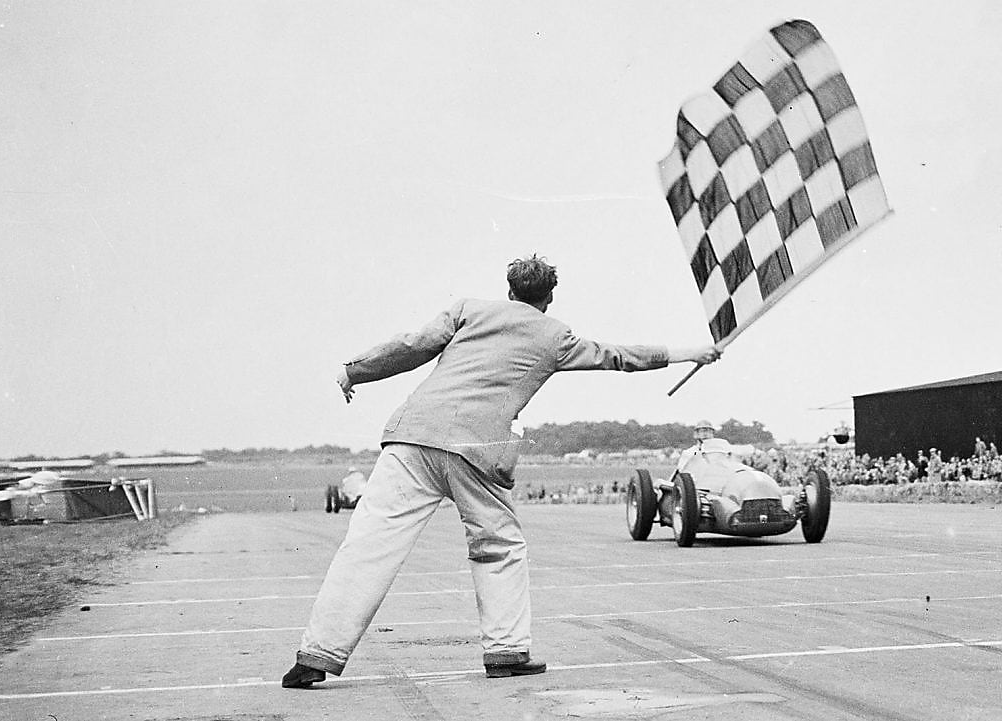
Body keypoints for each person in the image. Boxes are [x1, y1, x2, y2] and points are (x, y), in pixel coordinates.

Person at [281, 255, 719, 688]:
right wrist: (689, 353)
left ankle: (316, 656)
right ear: (548, 298)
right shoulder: (555, 335)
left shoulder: (467, 310)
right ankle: (506, 651)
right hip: (478, 449)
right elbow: (619, 356)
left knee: (367, 547)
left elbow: (411, 346)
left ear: (509, 290)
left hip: (411, 437)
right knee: (499, 547)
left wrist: (353, 371)